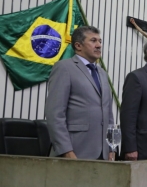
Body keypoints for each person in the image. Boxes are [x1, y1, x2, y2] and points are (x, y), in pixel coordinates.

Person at [45, 26, 114, 160]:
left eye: (100, 41)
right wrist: (66, 150)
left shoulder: (102, 74)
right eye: (93, 41)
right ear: (78, 45)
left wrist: (111, 147)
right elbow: (55, 114)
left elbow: (108, 114)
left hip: (103, 154)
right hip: (75, 151)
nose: (99, 45)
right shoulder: (64, 68)